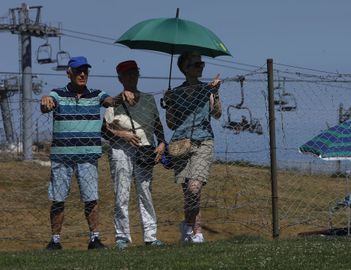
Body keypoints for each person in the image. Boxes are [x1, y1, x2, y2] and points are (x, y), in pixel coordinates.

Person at [40, 56, 135, 250]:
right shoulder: (57, 94)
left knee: (91, 198)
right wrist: (45, 100)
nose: (82, 74)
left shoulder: (96, 94)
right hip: (61, 156)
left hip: (88, 155)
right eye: (77, 71)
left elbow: (111, 101)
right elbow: (46, 104)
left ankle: (95, 238)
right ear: (69, 73)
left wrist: (122, 94)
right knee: (58, 199)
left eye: (85, 71)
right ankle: (55, 241)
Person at [102, 60, 166, 249]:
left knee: (145, 192)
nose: (131, 77)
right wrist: (121, 134)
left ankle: (150, 235)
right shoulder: (113, 102)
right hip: (120, 150)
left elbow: (156, 124)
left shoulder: (148, 99)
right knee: (121, 193)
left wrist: (162, 142)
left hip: (145, 149)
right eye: (127, 74)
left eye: (134, 73)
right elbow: (104, 130)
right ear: (120, 78)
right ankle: (122, 236)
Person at [163, 51, 222, 243]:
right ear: (185, 68)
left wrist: (215, 93)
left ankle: (195, 232)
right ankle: (192, 231)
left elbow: (217, 114)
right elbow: (171, 124)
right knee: (187, 191)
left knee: (194, 187)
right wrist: (169, 102)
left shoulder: (207, 90)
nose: (201, 67)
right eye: (196, 64)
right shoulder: (176, 92)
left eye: (201, 64)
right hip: (180, 144)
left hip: (203, 141)